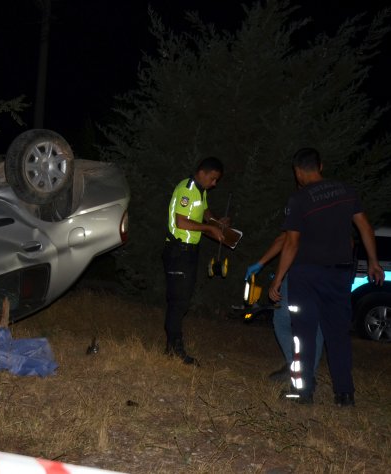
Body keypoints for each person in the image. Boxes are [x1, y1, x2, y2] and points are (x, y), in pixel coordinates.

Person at [268, 148, 385, 406]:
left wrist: (277, 279)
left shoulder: (299, 200)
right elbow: (365, 226)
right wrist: (374, 262)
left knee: (304, 333)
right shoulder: (345, 191)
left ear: (297, 172)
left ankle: (304, 392)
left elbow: (291, 244)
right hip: (339, 274)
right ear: (320, 165)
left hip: (306, 275)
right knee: (338, 334)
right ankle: (345, 394)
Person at [163, 157, 227, 365]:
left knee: (183, 299)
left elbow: (205, 211)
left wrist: (217, 222)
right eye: (213, 178)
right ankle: (173, 348)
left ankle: (173, 347)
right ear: (202, 173)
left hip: (189, 251)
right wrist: (209, 229)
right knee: (178, 301)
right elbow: (180, 221)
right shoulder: (188, 189)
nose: (214, 183)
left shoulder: (201, 190)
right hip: (178, 250)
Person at [245, 233, 323, 382]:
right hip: (328, 272)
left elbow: (289, 240)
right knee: (315, 322)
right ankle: (306, 371)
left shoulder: (300, 209)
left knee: (283, 319)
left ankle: (299, 369)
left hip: (301, 270)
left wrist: (276, 277)